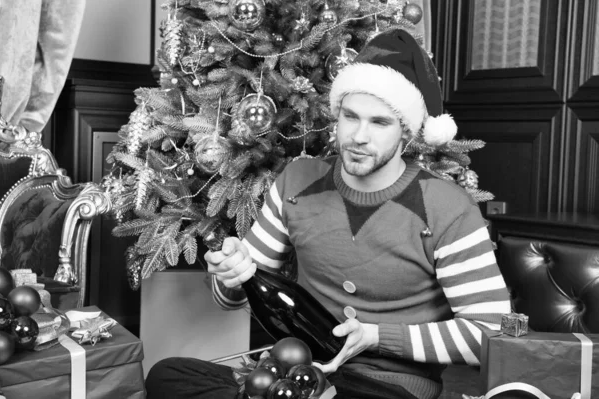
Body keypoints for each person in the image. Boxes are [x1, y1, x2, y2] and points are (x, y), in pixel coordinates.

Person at [145, 28, 511, 399]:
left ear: (406, 133)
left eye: (379, 122)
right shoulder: (298, 182)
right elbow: (232, 298)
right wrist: (231, 275)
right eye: (350, 117)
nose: (358, 136)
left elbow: (491, 333)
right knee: (168, 375)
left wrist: (377, 337)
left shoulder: (446, 206)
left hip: (389, 387)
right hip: (296, 374)